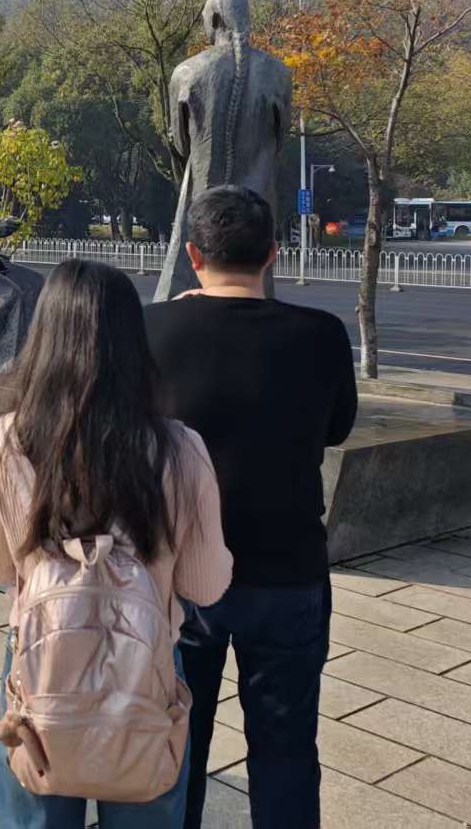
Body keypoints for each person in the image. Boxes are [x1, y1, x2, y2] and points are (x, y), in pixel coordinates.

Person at [0, 259, 232, 828]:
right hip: (147, 664)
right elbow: (206, 585)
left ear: (43, 336)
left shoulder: (5, 440)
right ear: (132, 343)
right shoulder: (179, 447)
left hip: (40, 661)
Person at [143, 185, 357, 828]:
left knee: (178, 740)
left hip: (180, 574)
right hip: (289, 569)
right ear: (272, 253)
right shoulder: (320, 334)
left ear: (193, 255)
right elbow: (336, 428)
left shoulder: (150, 330)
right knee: (286, 745)